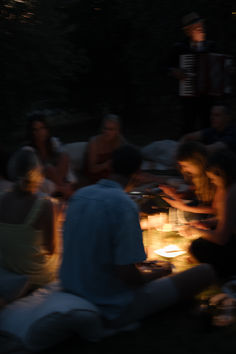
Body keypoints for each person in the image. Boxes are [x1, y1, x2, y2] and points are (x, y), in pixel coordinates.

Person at [60, 144, 215, 328]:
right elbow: (129, 277)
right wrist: (161, 272)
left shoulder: (80, 195)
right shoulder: (124, 205)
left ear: (109, 167)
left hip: (71, 286)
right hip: (109, 304)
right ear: (138, 174)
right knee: (205, 272)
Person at [0, 149, 61, 293]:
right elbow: (51, 249)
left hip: (10, 266)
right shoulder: (45, 205)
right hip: (38, 276)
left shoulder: (1, 198)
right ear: (38, 171)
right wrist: (56, 219)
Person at [179, 149, 236, 277]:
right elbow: (227, 218)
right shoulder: (230, 189)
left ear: (221, 174)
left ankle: (223, 272)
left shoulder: (232, 192)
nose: (211, 182)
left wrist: (196, 231)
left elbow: (221, 238)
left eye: (212, 178)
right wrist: (204, 223)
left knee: (197, 247)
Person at [169, 12, 222, 134]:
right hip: (188, 96)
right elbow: (164, 67)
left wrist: (228, 70)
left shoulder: (211, 46)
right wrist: (173, 71)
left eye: (202, 26)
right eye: (197, 27)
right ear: (188, 31)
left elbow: (221, 66)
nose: (201, 29)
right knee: (188, 126)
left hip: (208, 96)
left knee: (208, 126)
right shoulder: (180, 48)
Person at [24, 114, 73, 199]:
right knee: (48, 168)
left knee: (64, 156)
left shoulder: (53, 143)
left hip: (59, 177)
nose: (39, 132)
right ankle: (67, 191)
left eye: (42, 128)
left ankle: (65, 190)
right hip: (44, 181)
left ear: (46, 129)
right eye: (35, 130)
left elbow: (64, 162)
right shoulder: (29, 150)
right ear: (31, 132)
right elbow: (35, 175)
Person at [161, 141, 215, 216]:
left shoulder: (214, 178)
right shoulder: (197, 177)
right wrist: (177, 195)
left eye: (185, 166)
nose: (183, 170)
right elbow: (197, 191)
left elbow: (218, 209)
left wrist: (184, 207)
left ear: (198, 163)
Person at [84, 114, 126, 184]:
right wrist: (106, 165)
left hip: (111, 173)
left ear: (117, 131)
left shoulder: (119, 140)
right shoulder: (94, 142)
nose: (107, 132)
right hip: (95, 175)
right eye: (105, 128)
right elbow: (92, 169)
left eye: (111, 129)